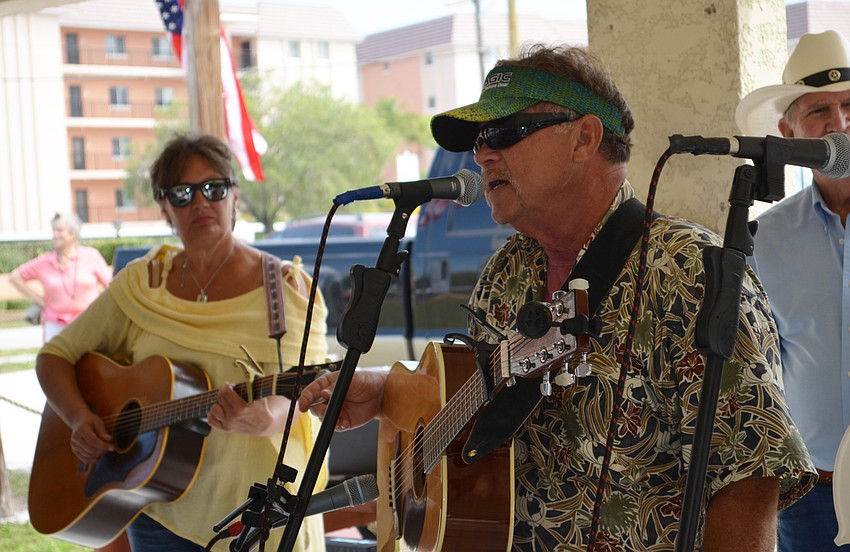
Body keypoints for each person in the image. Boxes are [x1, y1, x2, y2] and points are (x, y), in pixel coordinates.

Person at [298, 44, 817, 550]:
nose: (482, 152)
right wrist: (390, 391)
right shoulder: (505, 273)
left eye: (505, 131)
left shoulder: (688, 272)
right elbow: (475, 419)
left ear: (584, 138)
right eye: (479, 138)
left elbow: (749, 480)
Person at [35, 134, 330, 551]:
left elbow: (310, 394)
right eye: (182, 192)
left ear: (234, 198)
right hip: (157, 511)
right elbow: (55, 356)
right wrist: (79, 417)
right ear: (164, 207)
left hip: (256, 517)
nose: (200, 203)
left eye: (214, 188)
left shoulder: (287, 291)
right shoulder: (142, 284)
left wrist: (265, 419)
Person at [735, 29, 850, 552]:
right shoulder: (764, 237)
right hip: (811, 491)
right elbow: (756, 365)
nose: (840, 126)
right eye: (820, 112)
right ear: (788, 131)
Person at [9, 212, 112, 341]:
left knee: (90, 360)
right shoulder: (45, 261)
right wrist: (40, 300)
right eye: (54, 231)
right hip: (55, 324)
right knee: (54, 360)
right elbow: (14, 277)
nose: (55, 235)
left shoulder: (91, 256)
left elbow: (111, 284)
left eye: (59, 231)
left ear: (73, 233)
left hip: (89, 322)